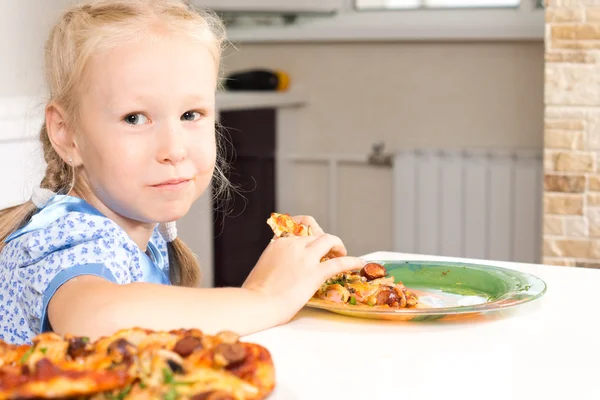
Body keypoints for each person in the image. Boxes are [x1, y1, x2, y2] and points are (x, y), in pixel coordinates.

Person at [0, 0, 363, 345]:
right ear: (67, 134)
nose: (173, 149)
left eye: (191, 115)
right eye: (135, 118)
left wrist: (284, 278)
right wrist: (264, 297)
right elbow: (96, 319)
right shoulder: (67, 238)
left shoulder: (139, 232)